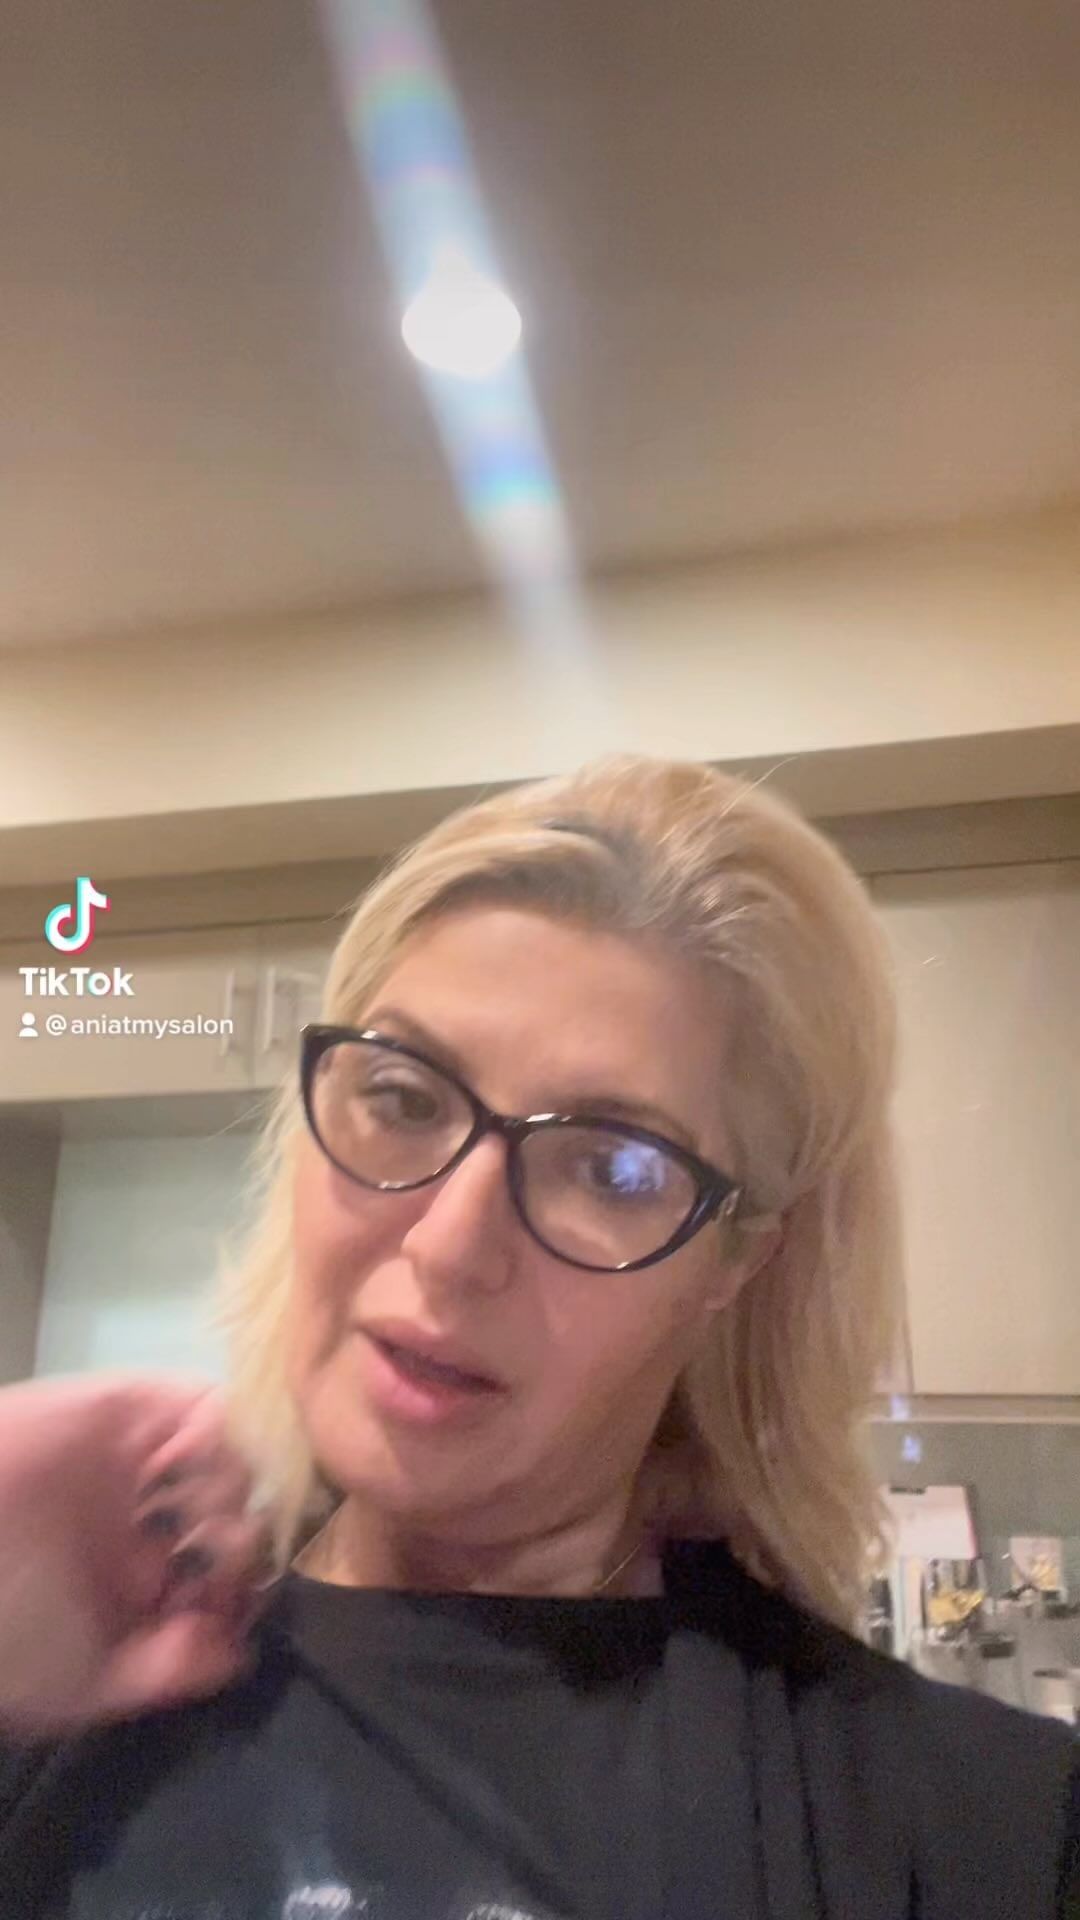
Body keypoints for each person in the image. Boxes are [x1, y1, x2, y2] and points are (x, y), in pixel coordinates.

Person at [1, 754, 1076, 1919]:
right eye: (405, 1098)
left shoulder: (980, 1832)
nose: (450, 1245)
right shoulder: (61, 1683)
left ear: (736, 1260)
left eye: (614, 1168)